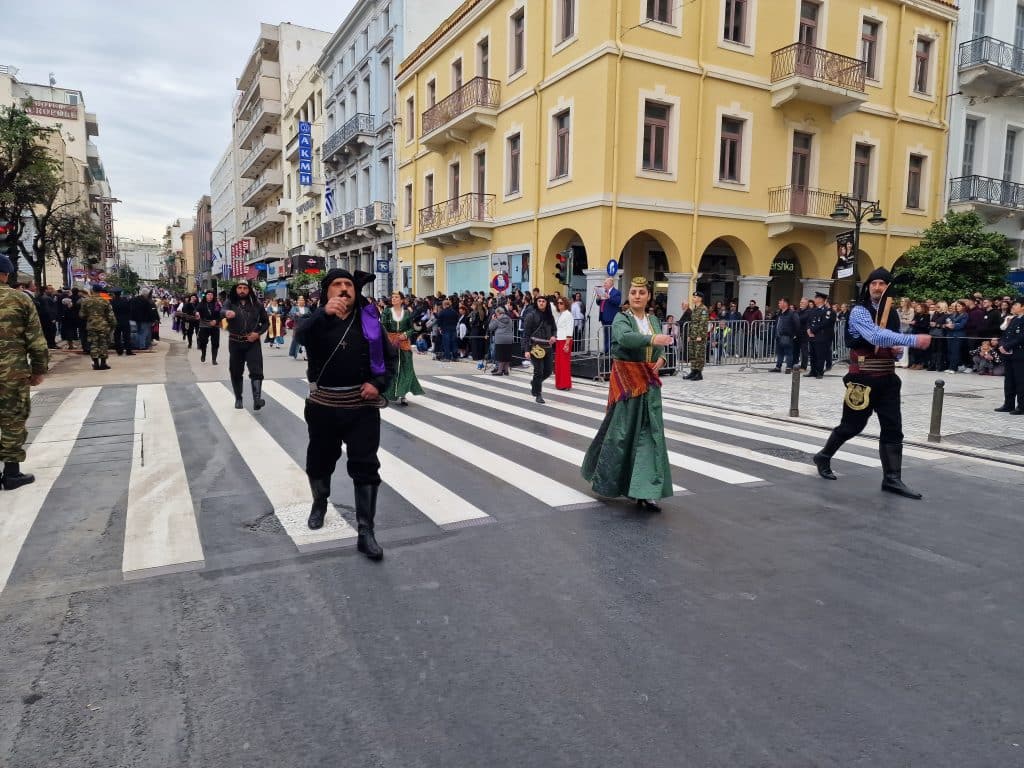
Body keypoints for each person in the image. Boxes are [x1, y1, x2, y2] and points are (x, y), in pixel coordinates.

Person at [295, 269, 397, 560]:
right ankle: (320, 503)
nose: (343, 289)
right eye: (337, 285)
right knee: (319, 461)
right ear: (327, 292)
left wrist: (378, 385)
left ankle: (366, 531)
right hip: (323, 406)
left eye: (348, 284)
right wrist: (323, 314)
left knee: (366, 466)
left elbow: (390, 360)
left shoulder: (370, 321)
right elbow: (300, 335)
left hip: (361, 408)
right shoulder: (315, 320)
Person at [813, 268, 932, 499]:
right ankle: (824, 456)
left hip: (887, 378)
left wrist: (897, 351)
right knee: (851, 426)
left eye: (882, 284)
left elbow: (892, 349)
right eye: (874, 283)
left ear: (888, 288)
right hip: (862, 380)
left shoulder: (893, 313)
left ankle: (892, 479)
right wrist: (913, 340)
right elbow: (875, 336)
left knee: (893, 429)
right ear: (868, 287)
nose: (877, 287)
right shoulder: (859, 311)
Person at [581, 276, 674, 512]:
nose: (637, 296)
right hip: (628, 383)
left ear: (649, 296)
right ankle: (607, 479)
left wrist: (661, 357)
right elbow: (624, 339)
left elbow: (659, 347)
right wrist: (653, 338)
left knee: (650, 436)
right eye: (633, 292)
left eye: (641, 292)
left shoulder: (653, 318)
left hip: (649, 385)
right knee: (622, 434)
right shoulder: (622, 318)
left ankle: (645, 490)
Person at [0, 254, 48, 490]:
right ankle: (11, 474)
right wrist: (39, 370)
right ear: (6, 275)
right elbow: (37, 341)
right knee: (12, 419)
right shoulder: (19, 299)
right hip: (11, 373)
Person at [223, 281, 269, 410]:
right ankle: (238, 398)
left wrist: (258, 333)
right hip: (235, 342)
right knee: (236, 371)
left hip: (252, 342)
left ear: (249, 290)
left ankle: (257, 399)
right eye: (239, 288)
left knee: (256, 371)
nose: (242, 290)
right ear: (236, 289)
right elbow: (222, 311)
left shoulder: (257, 304)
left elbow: (265, 323)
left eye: (245, 288)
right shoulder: (230, 302)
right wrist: (226, 313)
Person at [381, 290, 423, 406]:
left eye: (396, 297)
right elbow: (383, 327)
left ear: (401, 300)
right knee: (391, 368)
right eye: (392, 297)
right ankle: (388, 392)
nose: (393, 299)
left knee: (405, 368)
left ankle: (403, 394)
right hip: (391, 342)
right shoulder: (386, 312)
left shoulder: (407, 313)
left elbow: (411, 328)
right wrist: (388, 338)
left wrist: (406, 334)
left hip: (404, 343)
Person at [522, 294, 556, 403]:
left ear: (546, 303)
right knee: (539, 371)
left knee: (548, 371)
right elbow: (526, 334)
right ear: (537, 303)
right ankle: (538, 394)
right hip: (535, 347)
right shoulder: (531, 315)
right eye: (539, 301)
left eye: (543, 301)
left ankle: (535, 383)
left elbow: (554, 329)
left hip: (548, 347)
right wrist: (526, 350)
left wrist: (553, 336)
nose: (541, 303)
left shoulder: (550, 316)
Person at [994, 297, 1024, 414]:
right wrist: (1001, 345)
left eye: (1016, 305)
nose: (1013, 307)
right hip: (1008, 354)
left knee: (1020, 381)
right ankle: (1008, 404)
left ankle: (1021, 406)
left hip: (1019, 354)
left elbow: (1021, 337)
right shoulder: (1014, 319)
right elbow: (1005, 334)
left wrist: (1006, 346)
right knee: (1009, 380)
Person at [78, 287, 116, 370]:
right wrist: (113, 324)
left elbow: (81, 315)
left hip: (91, 325)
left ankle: (95, 364)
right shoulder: (105, 300)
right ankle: (103, 363)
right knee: (103, 344)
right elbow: (110, 315)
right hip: (103, 325)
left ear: (92, 291)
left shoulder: (86, 301)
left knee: (93, 344)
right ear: (100, 291)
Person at [806, 291, 835, 379]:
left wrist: (812, 330)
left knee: (820, 355)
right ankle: (813, 371)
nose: (815, 299)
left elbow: (824, 323)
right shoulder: (813, 310)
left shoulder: (827, 311)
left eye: (816, 298)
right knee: (813, 354)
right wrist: (808, 329)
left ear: (821, 300)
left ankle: (819, 372)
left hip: (821, 336)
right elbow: (809, 321)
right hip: (812, 336)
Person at [685, 291, 709, 380]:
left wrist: (700, 335)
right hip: (693, 335)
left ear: (700, 298)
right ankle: (693, 371)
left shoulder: (703, 309)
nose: (693, 299)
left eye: (695, 297)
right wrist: (689, 334)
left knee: (699, 354)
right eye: (693, 297)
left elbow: (703, 323)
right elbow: (692, 323)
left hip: (699, 336)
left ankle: (699, 373)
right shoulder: (695, 309)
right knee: (692, 353)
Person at [596, 277, 621, 353]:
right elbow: (598, 303)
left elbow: (617, 302)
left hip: (611, 317)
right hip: (603, 316)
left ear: (611, 283)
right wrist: (599, 298)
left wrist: (609, 297)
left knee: (610, 335)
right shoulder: (603, 291)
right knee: (605, 335)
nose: (604, 284)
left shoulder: (616, 292)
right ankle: (606, 350)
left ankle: (610, 351)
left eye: (605, 283)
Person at [554, 296, 574, 390]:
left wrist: (567, 343)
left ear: (566, 304)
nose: (559, 304)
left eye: (561, 303)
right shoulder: (561, 314)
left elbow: (569, 329)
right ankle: (560, 383)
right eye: (558, 303)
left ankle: (566, 384)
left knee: (564, 363)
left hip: (565, 340)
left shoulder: (568, 314)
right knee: (559, 363)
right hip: (559, 340)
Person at [196, 290, 221, 364]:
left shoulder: (217, 304)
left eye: (211, 295)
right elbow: (196, 310)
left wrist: (216, 321)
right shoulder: (201, 303)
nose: (210, 296)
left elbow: (221, 315)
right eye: (208, 294)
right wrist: (197, 313)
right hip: (204, 324)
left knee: (215, 343)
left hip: (215, 325)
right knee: (203, 342)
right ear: (205, 296)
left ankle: (214, 359)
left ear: (213, 296)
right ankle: (203, 354)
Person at [488, 305, 515, 376]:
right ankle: (506, 371)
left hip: (500, 339)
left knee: (500, 355)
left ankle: (499, 371)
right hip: (509, 338)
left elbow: (491, 327)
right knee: (507, 355)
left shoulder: (497, 320)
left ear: (498, 313)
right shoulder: (509, 319)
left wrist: (492, 319)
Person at [110, 288, 134, 356]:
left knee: (117, 336)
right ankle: (128, 351)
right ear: (120, 293)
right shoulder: (125, 300)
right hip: (125, 320)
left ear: (114, 294)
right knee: (126, 336)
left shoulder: (112, 301)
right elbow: (129, 310)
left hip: (116, 320)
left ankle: (119, 350)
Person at [288, 295, 311, 360]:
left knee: (305, 341)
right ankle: (295, 352)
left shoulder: (307, 308)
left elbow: (310, 315)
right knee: (296, 340)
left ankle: (304, 354)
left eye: (303, 300)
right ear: (297, 301)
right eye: (300, 300)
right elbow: (291, 314)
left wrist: (303, 315)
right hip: (297, 326)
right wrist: (295, 314)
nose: (302, 301)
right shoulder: (294, 308)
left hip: (306, 326)